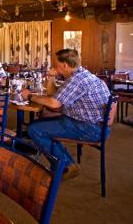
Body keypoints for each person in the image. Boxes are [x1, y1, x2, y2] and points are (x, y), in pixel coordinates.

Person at [22, 49, 111, 178]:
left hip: (90, 128)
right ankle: (66, 163)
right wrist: (51, 76)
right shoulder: (81, 75)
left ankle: (65, 166)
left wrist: (30, 96)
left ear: (64, 65)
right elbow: (52, 94)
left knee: (34, 129)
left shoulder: (77, 80)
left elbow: (54, 103)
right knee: (41, 123)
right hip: (93, 124)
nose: (54, 67)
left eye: (56, 64)